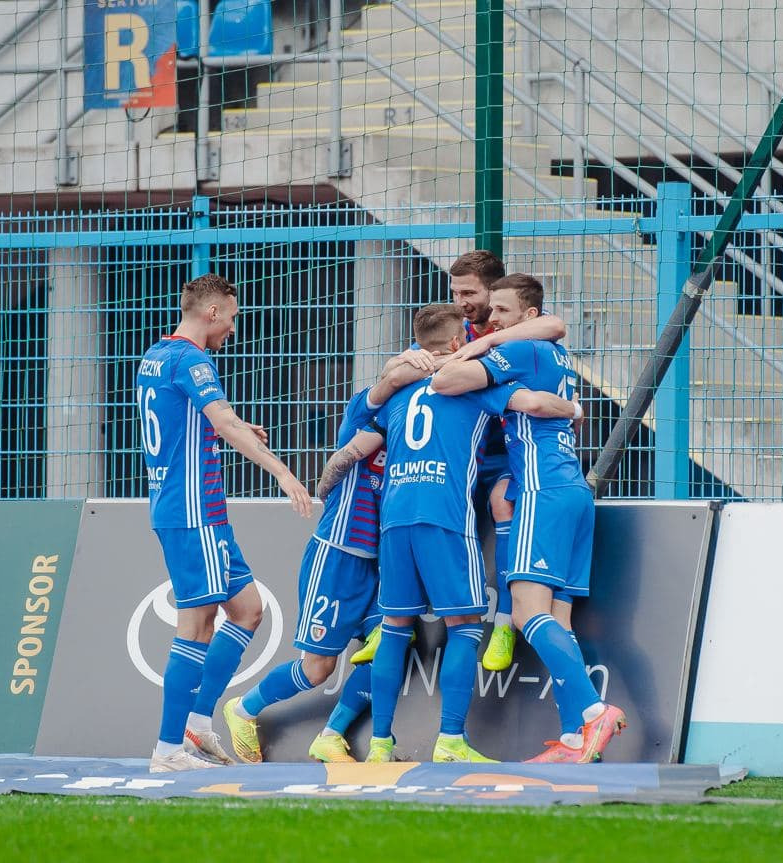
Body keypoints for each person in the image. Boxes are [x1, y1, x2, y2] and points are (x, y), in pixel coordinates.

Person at [323, 304, 577, 763]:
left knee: (395, 628)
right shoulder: (473, 385)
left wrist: (319, 489)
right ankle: (451, 742)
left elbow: (354, 449)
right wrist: (574, 408)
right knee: (464, 628)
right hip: (445, 515)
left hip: (394, 519)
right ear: (459, 342)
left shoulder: (400, 389)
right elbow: (535, 404)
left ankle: (380, 745)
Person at [432, 274, 627, 763]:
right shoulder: (554, 355)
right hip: (573, 490)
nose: (492, 318)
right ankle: (574, 737)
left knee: (526, 613)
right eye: (492, 310)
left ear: (529, 315)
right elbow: (542, 389)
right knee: (558, 618)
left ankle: (593, 712)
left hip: (541, 492)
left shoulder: (522, 350)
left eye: (502, 310)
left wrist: (479, 368)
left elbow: (445, 382)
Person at [219, 349, 436, 764]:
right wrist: (433, 360)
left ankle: (332, 734)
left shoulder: (411, 427)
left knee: (392, 644)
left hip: (380, 560)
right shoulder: (364, 410)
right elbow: (391, 379)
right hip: (337, 555)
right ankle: (243, 709)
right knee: (317, 669)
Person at [137, 273, 313, 773]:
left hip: (194, 508)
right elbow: (222, 422)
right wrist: (282, 472)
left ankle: (198, 724)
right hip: (192, 510)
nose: (232, 328)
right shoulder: (193, 360)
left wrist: (224, 424)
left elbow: (185, 419)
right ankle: (168, 750)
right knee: (196, 624)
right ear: (212, 312)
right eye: (231, 318)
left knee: (248, 609)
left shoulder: (157, 354)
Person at [448, 251, 567, 673]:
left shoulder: (514, 327)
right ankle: (389, 620)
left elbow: (555, 325)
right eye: (455, 292)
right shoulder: (453, 327)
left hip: (506, 453)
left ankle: (503, 624)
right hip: (460, 450)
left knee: (502, 501)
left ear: (493, 290)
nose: (461, 302)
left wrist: (485, 342)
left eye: (469, 293)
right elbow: (417, 357)